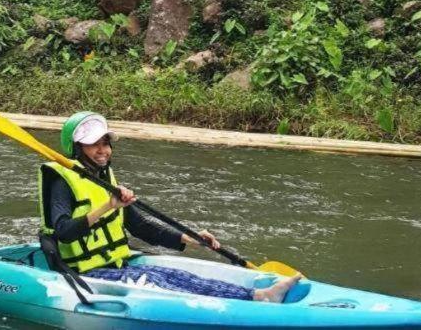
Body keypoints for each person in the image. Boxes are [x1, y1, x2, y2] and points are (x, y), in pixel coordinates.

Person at [38, 111, 303, 302]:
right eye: (94, 144)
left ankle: (257, 295)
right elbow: (62, 232)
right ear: (76, 147)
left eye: (105, 143)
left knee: (179, 276)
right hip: (87, 271)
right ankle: (259, 299)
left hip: (118, 263)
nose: (103, 150)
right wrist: (108, 206)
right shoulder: (62, 182)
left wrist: (192, 239)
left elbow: (140, 226)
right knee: (160, 284)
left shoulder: (103, 177)